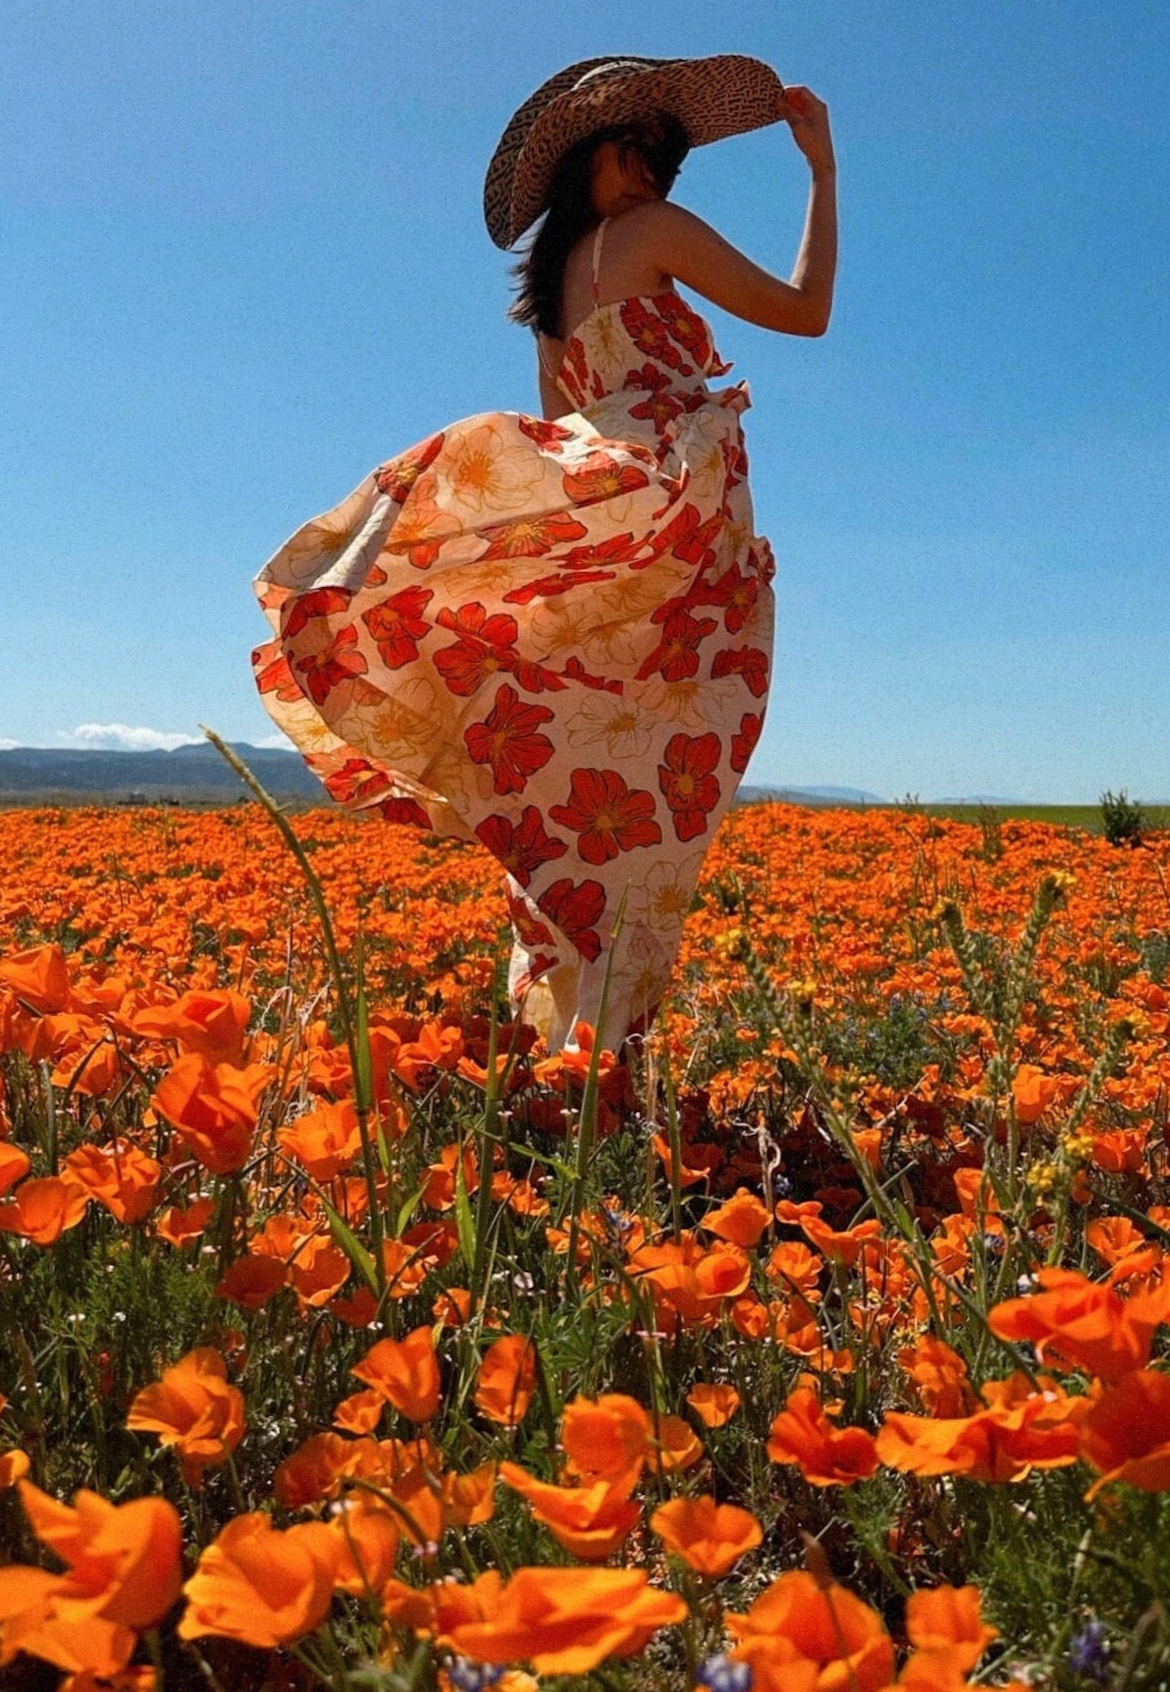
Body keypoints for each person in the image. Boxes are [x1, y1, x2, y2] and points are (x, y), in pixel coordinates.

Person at [252, 53, 837, 1051]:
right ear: (595, 153)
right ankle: (603, 1040)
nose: (661, 170)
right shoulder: (651, 234)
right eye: (643, 147)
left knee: (587, 761)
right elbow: (804, 312)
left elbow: (564, 436)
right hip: (676, 517)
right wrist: (821, 172)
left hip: (626, 516)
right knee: (658, 773)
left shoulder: (556, 292)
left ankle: (575, 1027)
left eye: (669, 155)